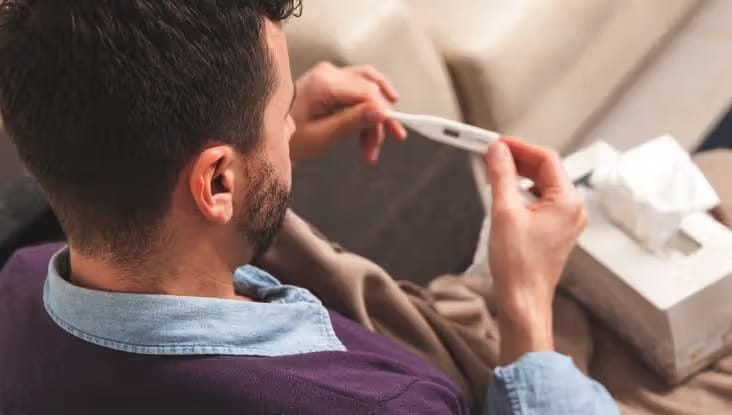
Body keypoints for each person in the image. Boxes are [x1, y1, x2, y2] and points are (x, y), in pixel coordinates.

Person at [0, 1, 618, 414]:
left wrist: (261, 130)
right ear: (217, 181)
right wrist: (526, 308)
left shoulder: (19, 281)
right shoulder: (381, 403)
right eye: (283, 113)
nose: (291, 128)